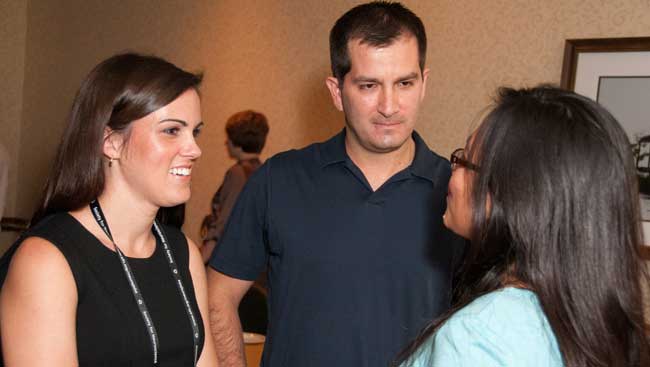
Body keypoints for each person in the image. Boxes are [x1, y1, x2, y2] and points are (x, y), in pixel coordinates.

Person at [207, 2, 463, 366]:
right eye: (369, 85)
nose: (389, 106)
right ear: (336, 90)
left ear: (424, 84)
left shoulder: (459, 192)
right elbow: (219, 296)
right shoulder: (278, 180)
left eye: (404, 83)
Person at [396, 85, 650, 367]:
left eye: (465, 160)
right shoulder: (598, 321)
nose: (452, 173)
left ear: (514, 197)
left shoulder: (480, 335)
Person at [0, 53, 218, 366]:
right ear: (112, 142)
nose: (194, 149)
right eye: (172, 130)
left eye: (195, 132)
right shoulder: (47, 260)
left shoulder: (182, 252)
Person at [200, 110, 269, 264]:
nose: (226, 143)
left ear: (236, 142)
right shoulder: (263, 171)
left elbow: (223, 223)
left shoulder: (237, 173)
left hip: (232, 259)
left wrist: (201, 260)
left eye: (228, 138)